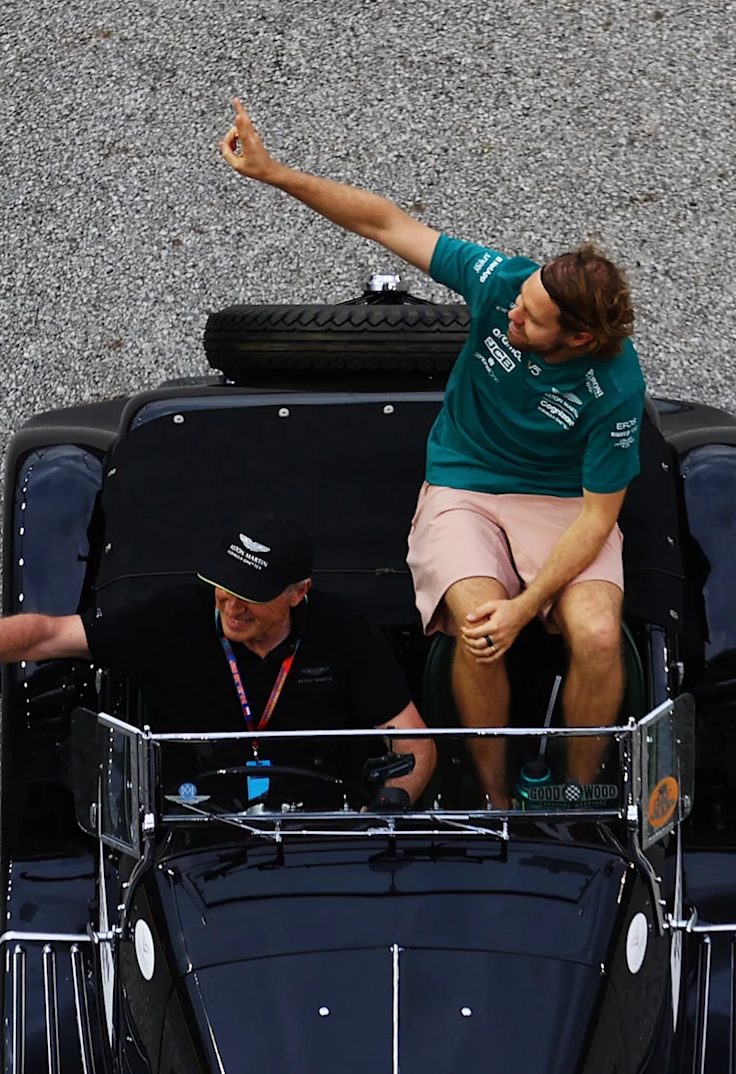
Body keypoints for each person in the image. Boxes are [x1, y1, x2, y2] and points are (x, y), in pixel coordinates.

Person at [219, 101, 645, 802]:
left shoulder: (615, 388)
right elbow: (385, 222)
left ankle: (578, 797)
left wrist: (529, 603)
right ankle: (494, 798)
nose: (511, 313)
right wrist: (275, 174)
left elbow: (598, 520)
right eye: (520, 299)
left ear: (576, 339)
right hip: (464, 486)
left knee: (596, 636)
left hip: (562, 503)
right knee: (480, 623)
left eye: (530, 318)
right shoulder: (503, 280)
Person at [0, 512, 438, 809]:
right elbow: (52, 633)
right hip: (192, 817)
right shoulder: (173, 615)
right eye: (224, 587)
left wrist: (387, 810)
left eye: (252, 594)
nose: (231, 606)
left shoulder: (343, 629)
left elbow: (414, 741)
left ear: (298, 593)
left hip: (314, 820)